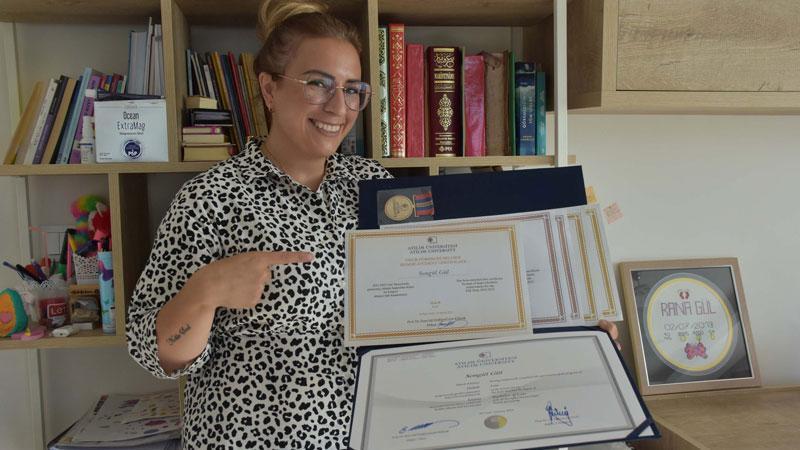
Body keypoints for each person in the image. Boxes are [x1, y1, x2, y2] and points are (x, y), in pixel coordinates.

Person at [126, 1, 619, 448]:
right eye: (318, 83)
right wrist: (206, 291)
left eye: (352, 90)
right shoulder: (211, 198)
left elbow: (446, 298)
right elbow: (155, 354)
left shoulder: (373, 186)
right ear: (270, 88)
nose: (338, 107)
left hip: (383, 434)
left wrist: (567, 326)